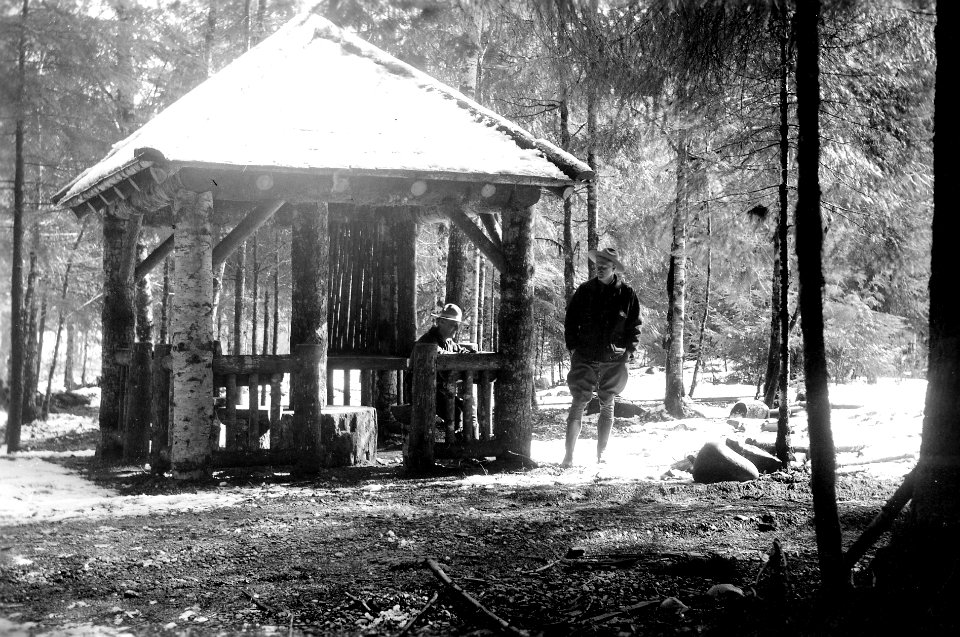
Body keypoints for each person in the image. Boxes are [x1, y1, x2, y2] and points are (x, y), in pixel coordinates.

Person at [562, 247, 642, 467]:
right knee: (578, 402)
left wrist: (628, 352)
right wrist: (573, 348)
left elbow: (634, 327)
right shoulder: (584, 291)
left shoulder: (627, 294)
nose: (599, 269)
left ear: (614, 268)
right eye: (597, 266)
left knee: (607, 404)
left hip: (613, 359)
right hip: (585, 356)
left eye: (604, 266)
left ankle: (602, 454)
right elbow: (571, 321)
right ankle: (568, 457)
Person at [416, 303, 475, 441]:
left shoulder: (448, 341)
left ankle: (465, 441)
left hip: (439, 390)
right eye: (453, 324)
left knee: (465, 407)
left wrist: (469, 353)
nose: (456, 328)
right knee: (455, 411)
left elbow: (456, 350)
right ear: (441, 322)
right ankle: (455, 444)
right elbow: (440, 355)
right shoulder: (428, 340)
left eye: (457, 324)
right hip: (423, 391)